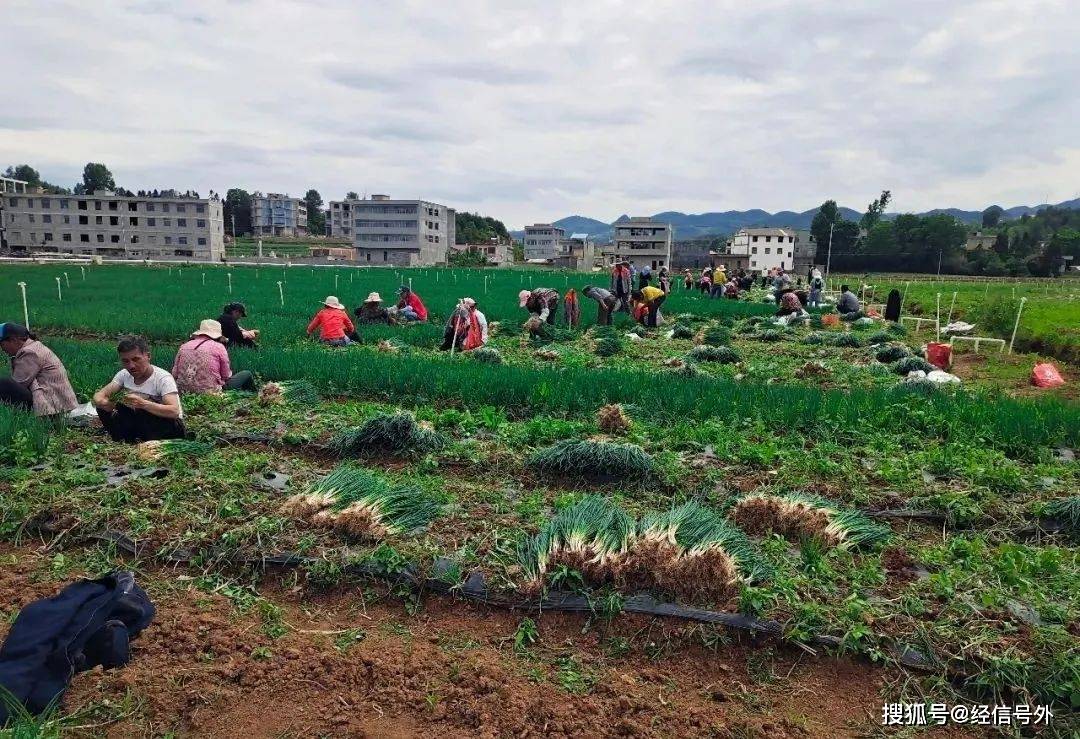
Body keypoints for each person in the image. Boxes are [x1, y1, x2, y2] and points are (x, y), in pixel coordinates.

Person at [92, 335, 185, 443]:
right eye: (126, 361)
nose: (131, 366)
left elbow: (174, 411)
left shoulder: (162, 378)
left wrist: (143, 404)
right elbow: (99, 395)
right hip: (140, 421)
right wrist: (104, 403)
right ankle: (123, 438)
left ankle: (146, 440)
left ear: (148, 356)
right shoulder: (124, 375)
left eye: (136, 359)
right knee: (105, 407)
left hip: (167, 426)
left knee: (141, 411)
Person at [0, 322, 78, 418]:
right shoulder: (34, 346)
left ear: (13, 340)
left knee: (4, 384)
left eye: (2, 344)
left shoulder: (29, 352)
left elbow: (18, 383)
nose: (2, 349)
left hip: (51, 405)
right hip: (58, 403)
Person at [172, 320, 255, 395]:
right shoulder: (218, 347)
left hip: (183, 390)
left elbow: (175, 373)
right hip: (209, 392)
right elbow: (225, 376)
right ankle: (254, 395)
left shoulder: (184, 346)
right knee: (247, 373)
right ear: (217, 335)